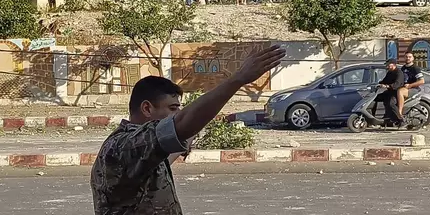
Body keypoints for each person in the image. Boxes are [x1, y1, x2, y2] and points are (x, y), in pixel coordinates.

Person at [91, 46, 286, 214]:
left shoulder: (142, 150)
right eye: (173, 109)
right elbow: (180, 126)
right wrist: (237, 80)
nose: (177, 114)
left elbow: (168, 154)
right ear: (147, 109)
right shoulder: (122, 146)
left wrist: (195, 127)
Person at [375, 58, 405, 125]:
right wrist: (378, 84)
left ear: (393, 65)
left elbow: (397, 84)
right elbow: (384, 81)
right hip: (389, 92)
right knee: (376, 98)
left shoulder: (399, 73)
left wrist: (387, 86)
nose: (387, 66)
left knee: (391, 103)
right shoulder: (389, 72)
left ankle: (400, 119)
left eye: (388, 65)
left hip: (396, 92)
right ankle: (374, 118)